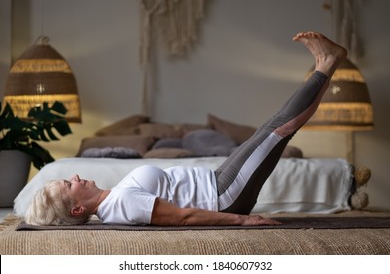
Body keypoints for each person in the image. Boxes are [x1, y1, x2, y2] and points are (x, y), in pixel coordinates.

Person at [25, 31, 347, 227]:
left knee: (274, 129)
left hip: (218, 181)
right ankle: (326, 63)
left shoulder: (113, 200)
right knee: (278, 128)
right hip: (222, 195)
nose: (76, 176)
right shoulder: (120, 205)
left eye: (69, 177)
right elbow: (183, 217)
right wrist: (243, 220)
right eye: (69, 183)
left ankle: (327, 64)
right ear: (78, 208)